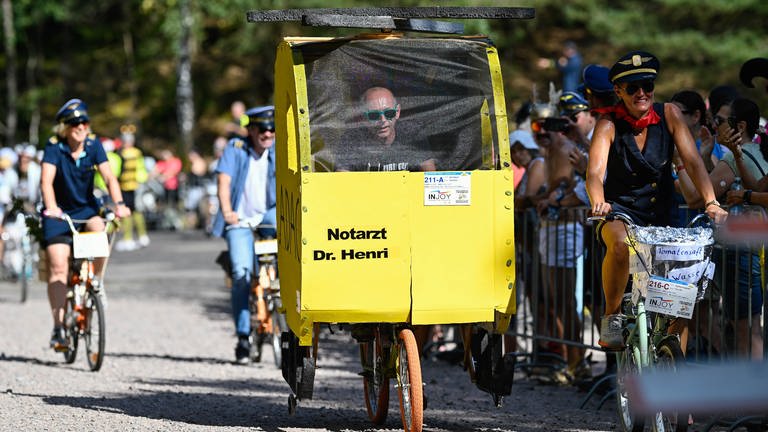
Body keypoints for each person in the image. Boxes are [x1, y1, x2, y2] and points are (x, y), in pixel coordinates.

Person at [586, 51, 728, 350]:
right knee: (621, 244)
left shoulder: (669, 114)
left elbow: (693, 161)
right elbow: (595, 173)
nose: (642, 93)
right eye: (633, 86)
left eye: (647, 85)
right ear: (618, 91)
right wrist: (598, 201)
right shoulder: (607, 123)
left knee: (678, 302)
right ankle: (612, 317)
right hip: (620, 213)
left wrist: (711, 201)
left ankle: (672, 356)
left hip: (662, 215)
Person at [677, 97, 766, 359]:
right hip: (747, 249)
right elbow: (717, 185)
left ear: (738, 125)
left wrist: (680, 161)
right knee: (743, 326)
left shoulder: (737, 156)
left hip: (739, 252)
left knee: (745, 330)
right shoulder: (755, 153)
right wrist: (705, 154)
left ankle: (750, 395)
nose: (714, 125)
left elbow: (694, 197)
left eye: (719, 121)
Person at [40, 98, 130, 351]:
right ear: (65, 127)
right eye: (75, 123)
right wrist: (52, 207)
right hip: (58, 213)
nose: (81, 127)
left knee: (99, 230)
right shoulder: (54, 148)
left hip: (86, 210)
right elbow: (46, 182)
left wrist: (119, 204)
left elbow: (109, 177)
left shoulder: (94, 146)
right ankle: (58, 328)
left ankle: (97, 282)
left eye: (84, 122)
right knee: (58, 267)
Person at [212, 105, 277, 365]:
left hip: (269, 215)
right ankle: (242, 336)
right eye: (262, 129)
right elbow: (223, 182)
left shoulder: (279, 150)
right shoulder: (235, 149)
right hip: (238, 217)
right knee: (240, 274)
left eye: (272, 129)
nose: (268, 133)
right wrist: (227, 211)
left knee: (291, 256)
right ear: (251, 130)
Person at [335, 87, 436, 172]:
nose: (382, 120)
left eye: (389, 113)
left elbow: (433, 181)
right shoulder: (351, 140)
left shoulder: (413, 134)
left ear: (397, 112)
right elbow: (341, 185)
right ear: (362, 117)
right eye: (374, 115)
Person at [114, 126, 150, 250]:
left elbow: (116, 170)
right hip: (137, 185)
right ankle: (142, 236)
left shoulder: (120, 153)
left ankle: (128, 238)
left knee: (127, 212)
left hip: (125, 186)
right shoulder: (137, 152)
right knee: (137, 212)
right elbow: (142, 169)